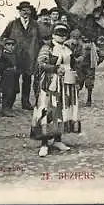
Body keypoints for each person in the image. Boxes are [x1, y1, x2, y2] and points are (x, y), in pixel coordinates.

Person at [30, 23, 82, 157]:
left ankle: (58, 140)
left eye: (64, 33)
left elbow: (72, 63)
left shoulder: (67, 48)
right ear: (53, 34)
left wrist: (76, 71)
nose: (61, 36)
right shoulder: (47, 48)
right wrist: (54, 68)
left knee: (63, 111)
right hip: (50, 85)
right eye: (58, 33)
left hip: (66, 84)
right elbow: (41, 64)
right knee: (48, 111)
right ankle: (44, 144)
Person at [1, 1, 41, 110]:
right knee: (13, 81)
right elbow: (3, 38)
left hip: (30, 57)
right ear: (19, 12)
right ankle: (9, 104)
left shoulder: (35, 25)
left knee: (27, 80)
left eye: (28, 10)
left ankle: (25, 102)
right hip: (15, 58)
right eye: (23, 10)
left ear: (30, 11)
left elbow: (40, 40)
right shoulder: (12, 24)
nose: (25, 12)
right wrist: (8, 51)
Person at [79, 37, 104, 106]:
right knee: (80, 84)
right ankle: (81, 99)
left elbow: (102, 55)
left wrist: (96, 63)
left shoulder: (93, 48)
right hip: (83, 68)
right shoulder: (81, 48)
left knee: (88, 85)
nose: (87, 44)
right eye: (85, 42)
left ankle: (88, 100)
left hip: (88, 68)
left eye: (88, 42)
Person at [0, 38, 19, 117]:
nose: (11, 47)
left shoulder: (14, 55)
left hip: (14, 76)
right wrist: (6, 70)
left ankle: (9, 107)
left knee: (13, 93)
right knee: (7, 93)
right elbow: (0, 67)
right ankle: (5, 109)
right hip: (7, 77)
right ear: (5, 46)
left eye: (13, 45)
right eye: (8, 45)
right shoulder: (3, 56)